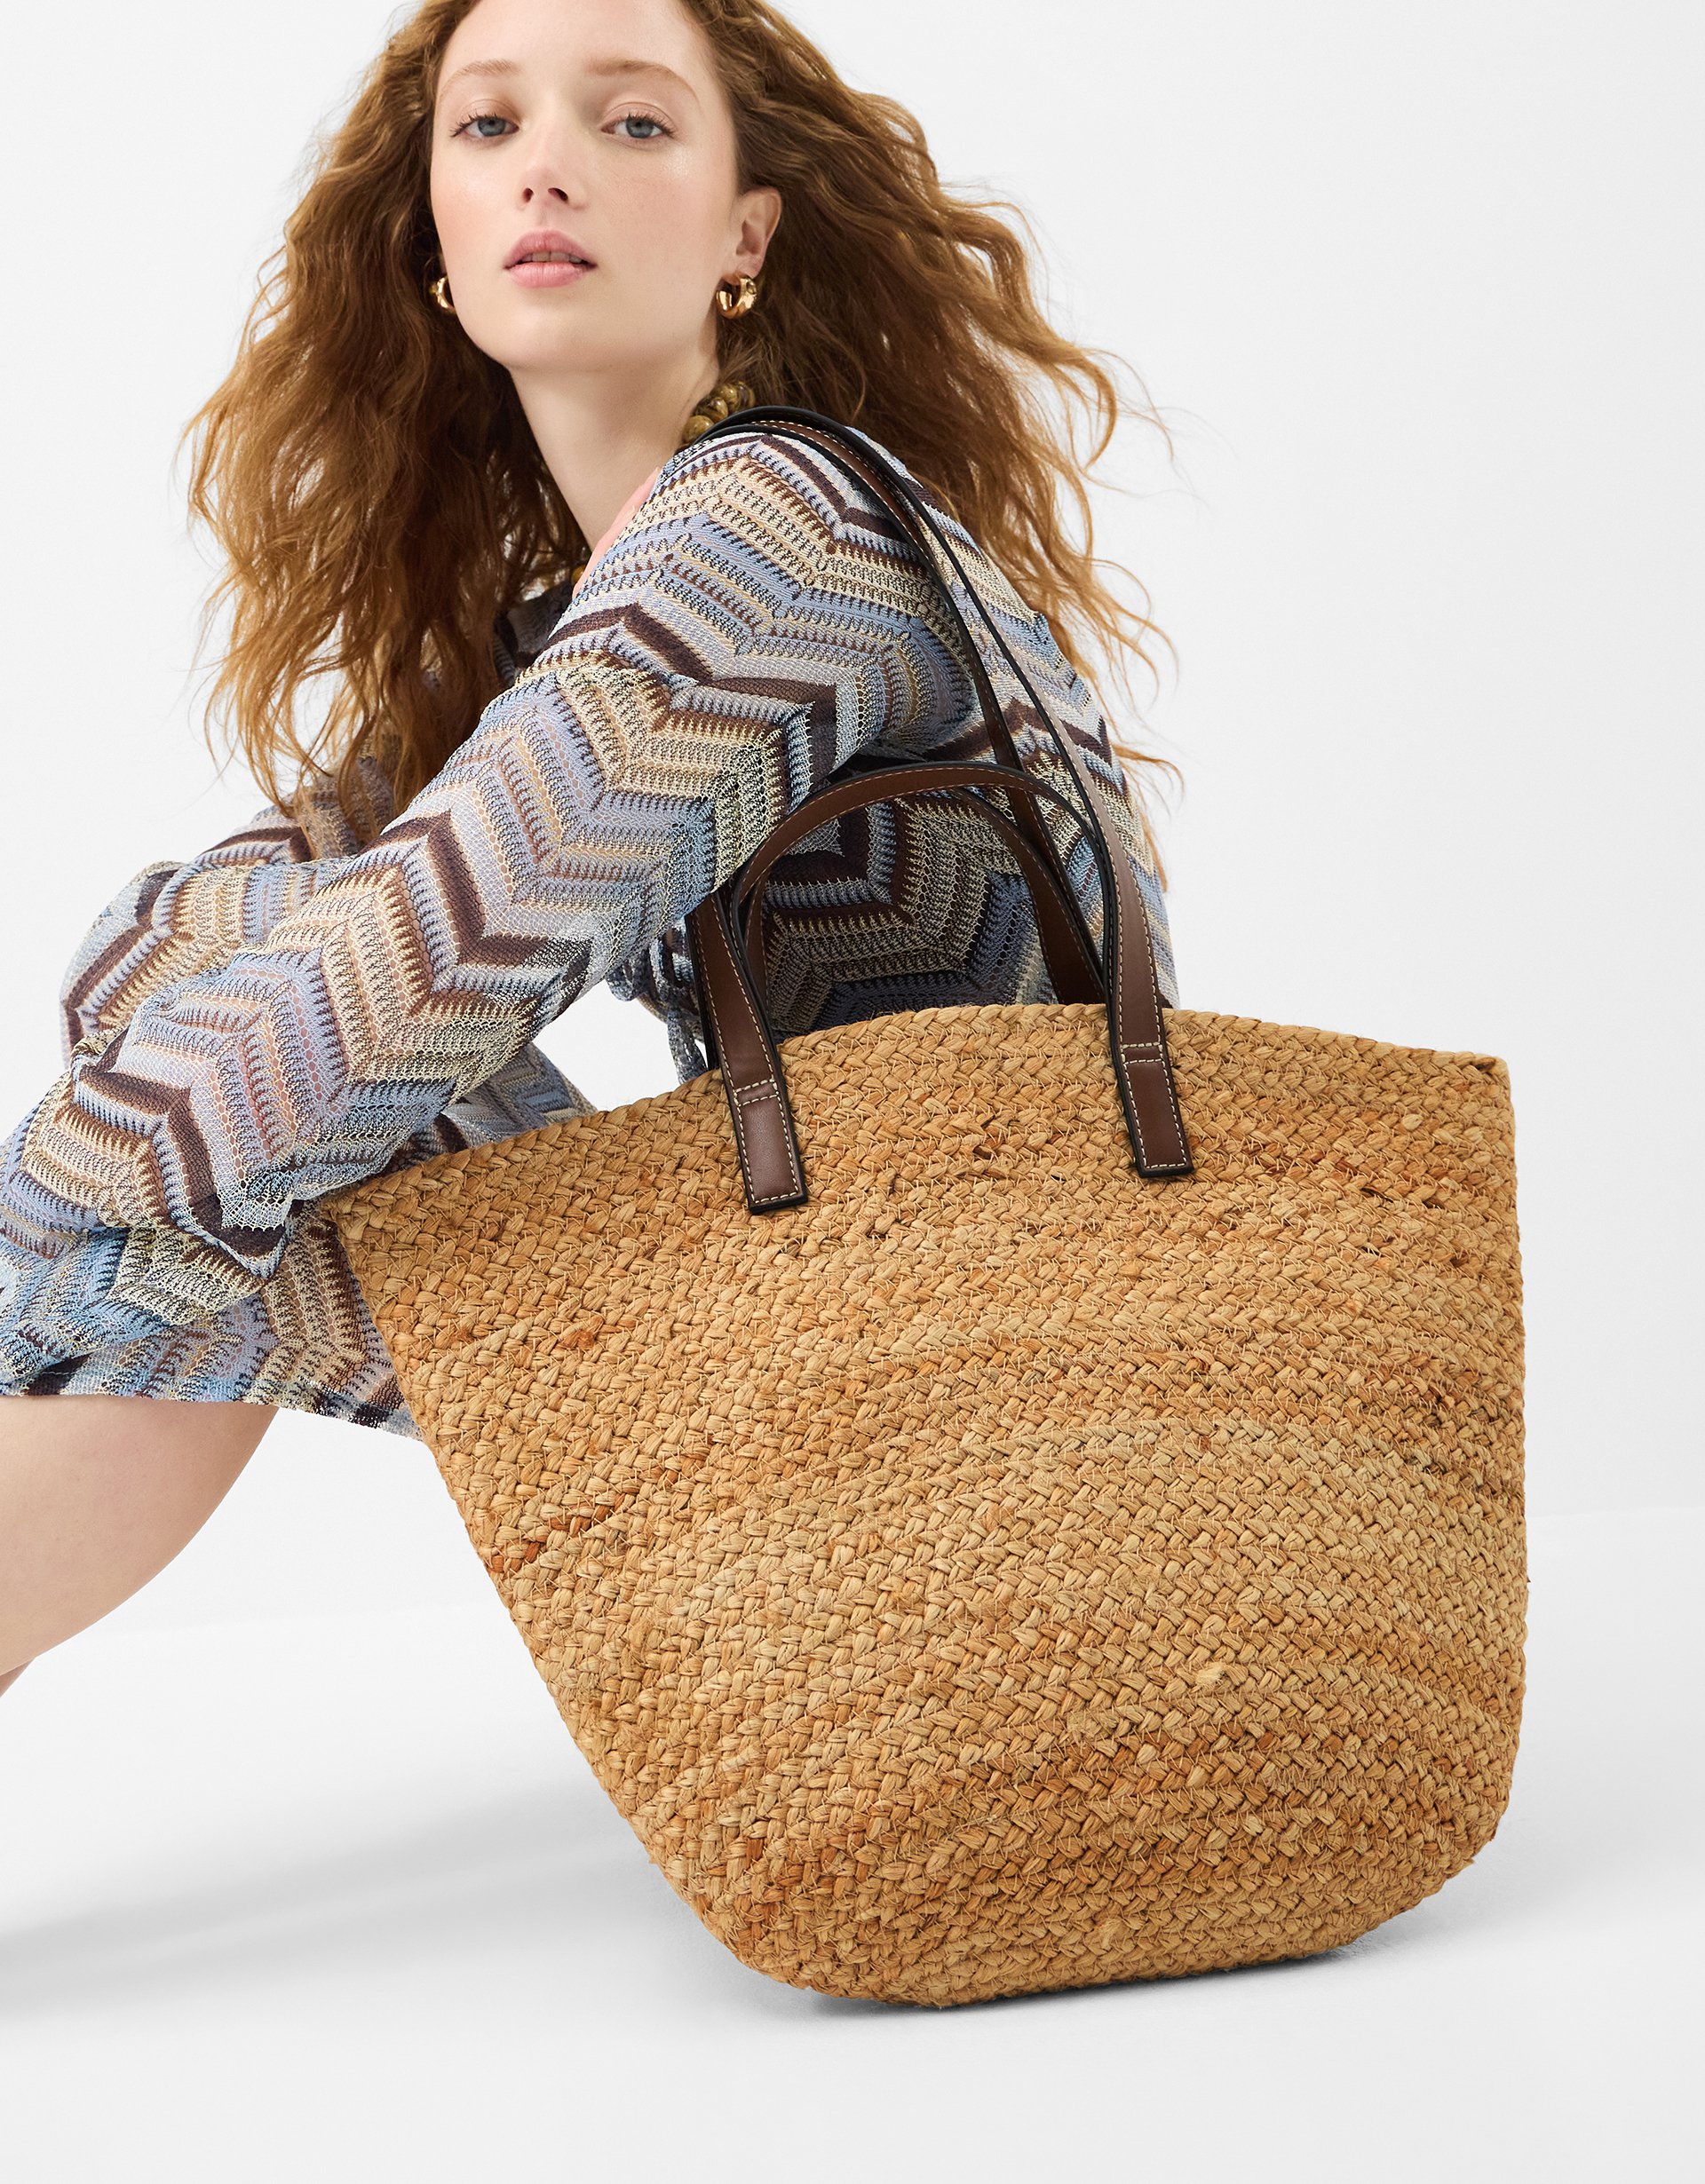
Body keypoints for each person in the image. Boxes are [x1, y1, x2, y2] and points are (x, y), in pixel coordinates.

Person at [0, 0, 1179, 1699]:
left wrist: (50, 1218)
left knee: (245, 1163)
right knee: (220, 1071)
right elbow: (173, 948)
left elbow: (345, 1032)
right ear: (435, 247)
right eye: (489, 128)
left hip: (992, 1393)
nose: (546, 166)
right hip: (842, 1339)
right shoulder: (558, 635)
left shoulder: (773, 537)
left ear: (745, 238)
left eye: (633, 124)